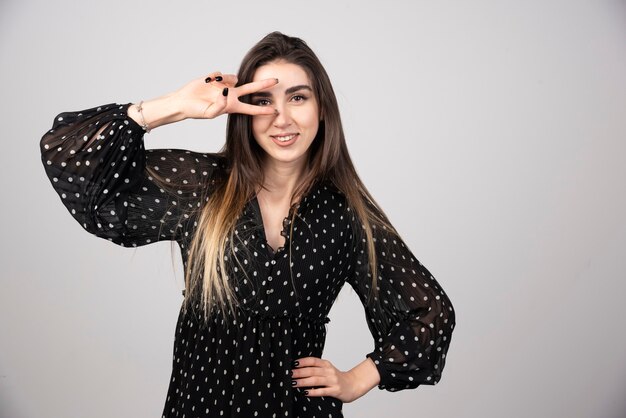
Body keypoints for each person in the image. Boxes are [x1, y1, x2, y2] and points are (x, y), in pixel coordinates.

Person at [40, 31, 455, 417]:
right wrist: (178, 106)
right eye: (262, 101)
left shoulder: (347, 213)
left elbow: (430, 312)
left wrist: (357, 379)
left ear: (321, 108)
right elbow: (71, 159)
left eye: (297, 98)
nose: (281, 118)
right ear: (243, 112)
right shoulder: (201, 186)